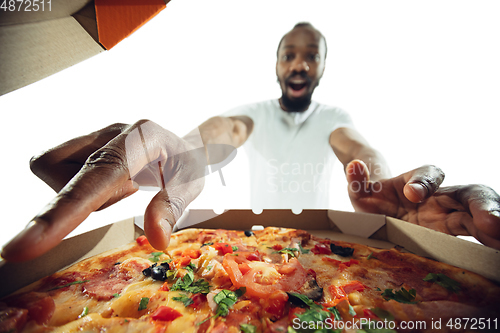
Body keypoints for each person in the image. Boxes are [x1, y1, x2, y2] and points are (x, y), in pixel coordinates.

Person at [2, 23, 500, 263]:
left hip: (327, 257)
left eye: (310, 56)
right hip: (246, 254)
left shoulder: (334, 118)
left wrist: (384, 194)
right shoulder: (251, 116)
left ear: (322, 66)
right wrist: (185, 156)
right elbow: (218, 135)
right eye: (290, 55)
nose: (300, 64)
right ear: (278, 63)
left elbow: (357, 148)